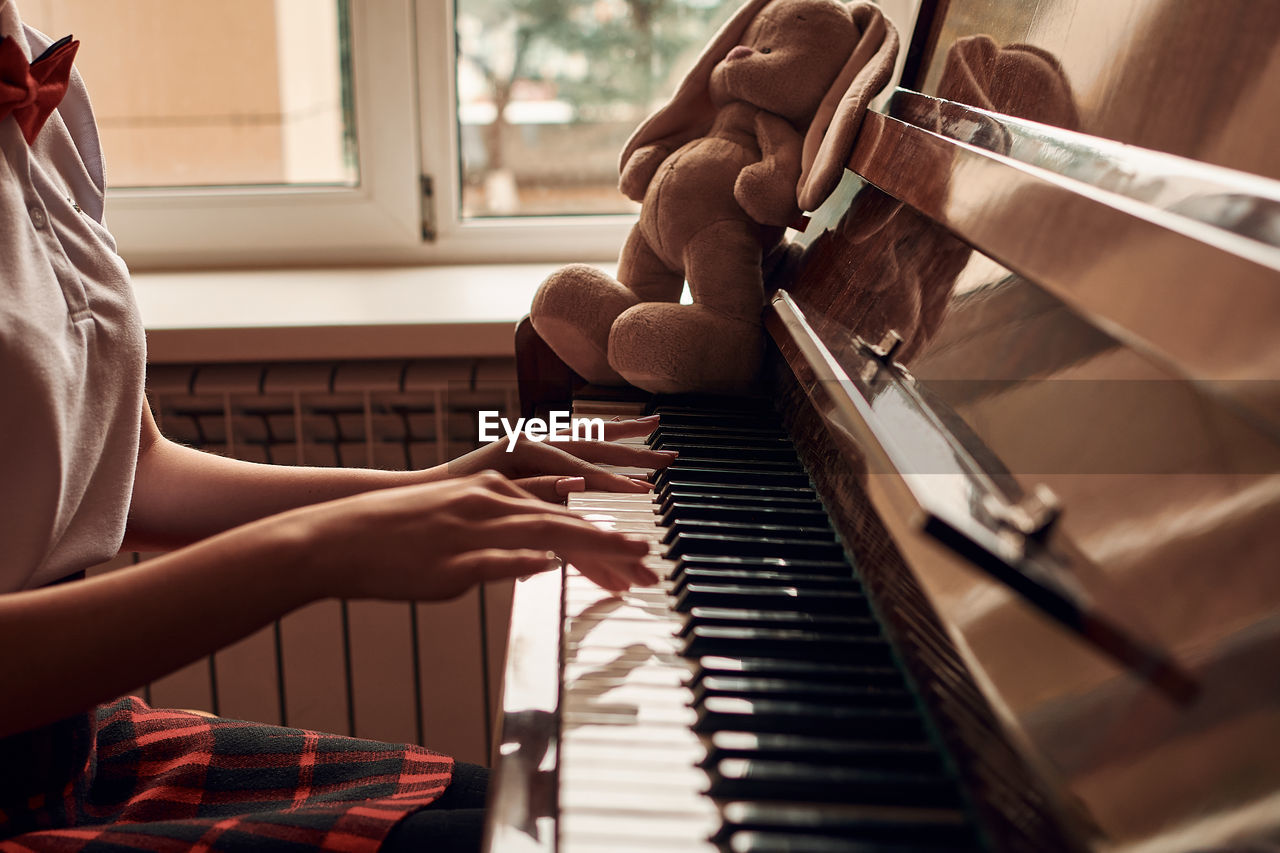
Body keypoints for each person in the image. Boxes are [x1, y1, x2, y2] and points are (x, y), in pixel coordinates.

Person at [0, 2, 669, 849]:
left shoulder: (37, 73)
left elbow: (132, 473)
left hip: (79, 749)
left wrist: (433, 486)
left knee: (538, 810)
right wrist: (320, 548)